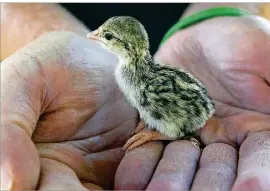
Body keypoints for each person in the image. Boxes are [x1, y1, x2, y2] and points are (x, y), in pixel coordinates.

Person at [1, 3, 270, 191]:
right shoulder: (135, 71)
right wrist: (57, 42)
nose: (95, 36)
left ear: (127, 48)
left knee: (157, 101)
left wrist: (218, 11)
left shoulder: (139, 81)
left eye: (105, 36)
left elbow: (178, 105)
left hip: (185, 100)